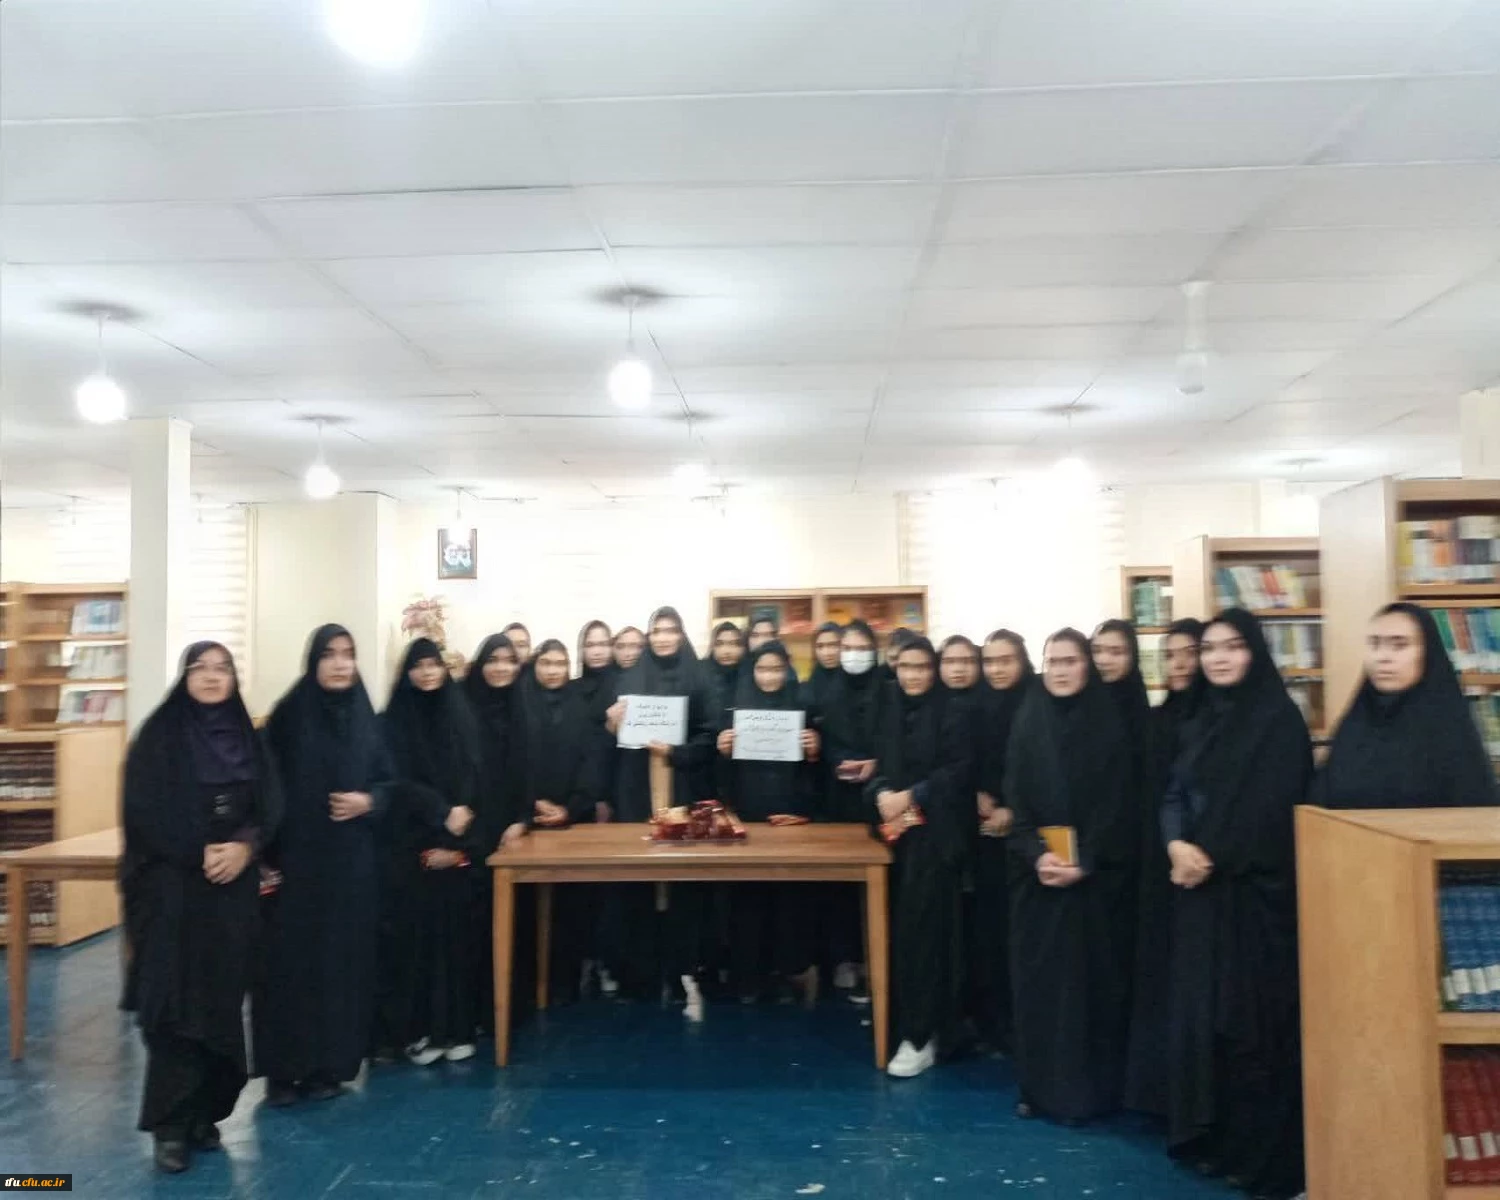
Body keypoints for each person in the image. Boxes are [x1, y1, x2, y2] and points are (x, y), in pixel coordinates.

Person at [1162, 609, 1311, 1200]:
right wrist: (1175, 844)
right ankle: (1217, 1139)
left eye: (1232, 647)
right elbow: (1174, 791)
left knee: (1253, 1026)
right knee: (1209, 1023)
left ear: (1254, 652)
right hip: (1200, 894)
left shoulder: (1279, 721)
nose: (1218, 658)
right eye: (1208, 649)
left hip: (1255, 900)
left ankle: (1262, 1156)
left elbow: (1272, 812)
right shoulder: (1200, 717)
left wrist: (1208, 857)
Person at [121, 643, 282, 1173]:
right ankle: (169, 1125)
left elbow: (269, 805)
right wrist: (197, 852)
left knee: (220, 1000)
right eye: (200, 668)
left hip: (231, 890)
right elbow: (143, 812)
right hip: (171, 889)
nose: (212, 677)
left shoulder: (249, 738)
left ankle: (204, 1114)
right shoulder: (158, 737)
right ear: (184, 676)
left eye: (222, 669)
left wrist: (245, 848)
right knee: (173, 1005)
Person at [256, 625, 394, 1107]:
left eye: (348, 655)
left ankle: (327, 1067)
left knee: (341, 967)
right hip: (295, 866)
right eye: (329, 655)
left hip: (350, 866)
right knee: (290, 969)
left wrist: (369, 802)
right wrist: (262, 856)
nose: (340, 664)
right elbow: (262, 788)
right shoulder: (288, 716)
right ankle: (283, 1072)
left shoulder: (366, 718)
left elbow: (390, 782)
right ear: (313, 661)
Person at [1005, 628, 1135, 1123]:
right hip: (1037, 881)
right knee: (1040, 988)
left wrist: (1088, 861)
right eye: (1052, 661)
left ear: (1087, 666)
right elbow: (1016, 801)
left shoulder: (1110, 725)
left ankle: (1090, 1096)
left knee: (1091, 989)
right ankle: (1039, 1090)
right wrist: (1038, 855)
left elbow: (1120, 806)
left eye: (1071, 660)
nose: (1060, 670)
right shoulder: (1028, 720)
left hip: (1097, 886)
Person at [603, 607, 717, 1016]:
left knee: (682, 883)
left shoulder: (699, 678)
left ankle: (680, 971)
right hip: (635, 789)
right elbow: (610, 738)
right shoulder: (629, 678)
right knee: (635, 879)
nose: (663, 637)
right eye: (657, 631)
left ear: (681, 635)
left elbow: (709, 736)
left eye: (671, 630)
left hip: (682, 786)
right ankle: (638, 975)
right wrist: (613, 725)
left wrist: (676, 751)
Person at [868, 636, 972, 1079]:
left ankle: (923, 1035)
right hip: (894, 839)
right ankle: (900, 1023)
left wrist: (910, 796)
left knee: (925, 938)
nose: (913, 676)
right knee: (897, 936)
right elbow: (880, 764)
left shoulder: (953, 712)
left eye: (923, 667)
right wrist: (880, 793)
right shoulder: (890, 709)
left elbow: (958, 771)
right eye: (906, 667)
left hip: (935, 840)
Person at [381, 638, 483, 1067]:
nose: (427, 673)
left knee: (456, 941)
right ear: (407, 672)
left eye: (433, 665)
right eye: (418, 666)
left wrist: (457, 835)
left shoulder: (460, 715)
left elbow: (476, 775)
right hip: (412, 847)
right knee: (418, 944)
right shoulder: (391, 722)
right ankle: (421, 1032)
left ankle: (455, 1029)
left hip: (457, 845)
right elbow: (394, 783)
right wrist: (437, 817)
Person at [1126, 618, 1206, 1119]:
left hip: (1204, 862)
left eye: (1190, 652)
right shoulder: (1158, 719)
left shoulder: (1216, 718)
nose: (1180, 664)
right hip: (1157, 859)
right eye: (1171, 655)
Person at [714, 640, 821, 1005]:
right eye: (762, 669)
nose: (770, 676)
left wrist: (813, 752)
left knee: (788, 900)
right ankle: (747, 975)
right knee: (747, 898)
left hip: (790, 819)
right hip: (748, 817)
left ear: (787, 671)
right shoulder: (736, 710)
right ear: (751, 672)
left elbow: (818, 774)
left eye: (777, 669)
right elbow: (720, 776)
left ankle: (787, 973)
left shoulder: (803, 708)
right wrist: (723, 751)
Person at [1312, 602, 1498, 809]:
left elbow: (1475, 812)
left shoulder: (1451, 731)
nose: (1382, 657)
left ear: (1426, 653)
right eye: (1374, 644)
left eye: (1399, 645)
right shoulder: (1354, 725)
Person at [970, 629, 1035, 1056]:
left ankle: (1022, 1024)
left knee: (1023, 931)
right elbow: (966, 760)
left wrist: (1013, 810)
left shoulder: (1037, 704)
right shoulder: (978, 705)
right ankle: (991, 1024)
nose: (996, 669)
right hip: (984, 835)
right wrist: (976, 795)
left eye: (1005, 660)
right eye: (989, 661)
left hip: (1027, 836)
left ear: (1022, 661)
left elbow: (1043, 770)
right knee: (988, 931)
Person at [819, 619, 887, 996]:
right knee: (841, 886)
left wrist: (877, 764)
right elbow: (823, 741)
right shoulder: (830, 692)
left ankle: (877, 959)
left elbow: (899, 741)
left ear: (874, 652)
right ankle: (844, 959)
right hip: (838, 801)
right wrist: (835, 761)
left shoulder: (889, 690)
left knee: (880, 881)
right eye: (847, 648)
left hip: (881, 799)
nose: (853, 655)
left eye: (862, 648)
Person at [462, 633, 526, 1025]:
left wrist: (521, 819)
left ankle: (501, 1008)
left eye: (509, 660)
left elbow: (530, 769)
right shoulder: (462, 706)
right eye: (493, 660)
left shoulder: (522, 706)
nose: (501, 667)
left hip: (509, 827)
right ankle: (471, 1010)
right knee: (471, 919)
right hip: (470, 824)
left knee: (507, 918)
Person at [704, 620, 746, 727]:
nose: (726, 651)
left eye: (733, 644)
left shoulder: (751, 677)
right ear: (712, 647)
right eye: (719, 644)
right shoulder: (700, 678)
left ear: (743, 648)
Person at [806, 621, 844, 705]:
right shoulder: (815, 676)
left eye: (833, 645)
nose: (826, 653)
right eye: (820, 646)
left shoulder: (854, 679)